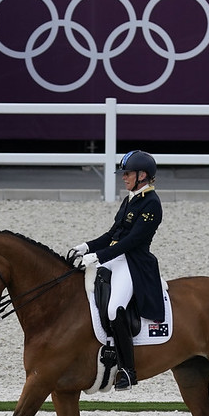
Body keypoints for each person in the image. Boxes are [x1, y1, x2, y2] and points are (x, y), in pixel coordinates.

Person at [69, 150, 164, 390]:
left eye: (128, 173)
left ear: (143, 175)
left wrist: (97, 257)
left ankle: (128, 371)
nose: (124, 177)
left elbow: (130, 242)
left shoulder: (152, 203)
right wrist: (86, 246)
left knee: (114, 309)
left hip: (133, 263)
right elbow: (113, 234)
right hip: (114, 257)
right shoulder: (130, 198)